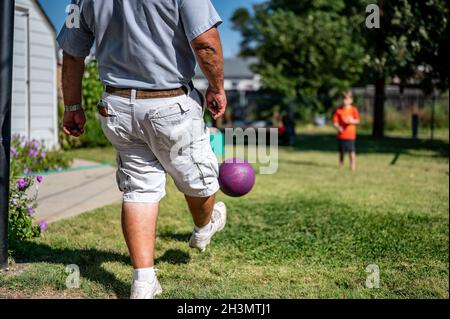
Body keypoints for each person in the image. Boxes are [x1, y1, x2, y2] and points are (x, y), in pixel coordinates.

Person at [57, 0, 227, 299]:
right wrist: (216, 87)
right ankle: (204, 225)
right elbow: (205, 43)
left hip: (117, 107)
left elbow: (72, 54)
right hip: (170, 103)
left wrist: (72, 106)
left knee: (139, 189)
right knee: (198, 178)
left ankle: (143, 281)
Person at [332, 91, 360, 171]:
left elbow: (358, 120)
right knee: (341, 151)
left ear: (351, 100)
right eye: (344, 98)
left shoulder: (353, 110)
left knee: (352, 151)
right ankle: (341, 164)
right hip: (341, 134)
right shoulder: (339, 111)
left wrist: (352, 121)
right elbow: (335, 122)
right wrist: (338, 127)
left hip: (350, 135)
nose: (345, 100)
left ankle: (353, 166)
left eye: (347, 99)